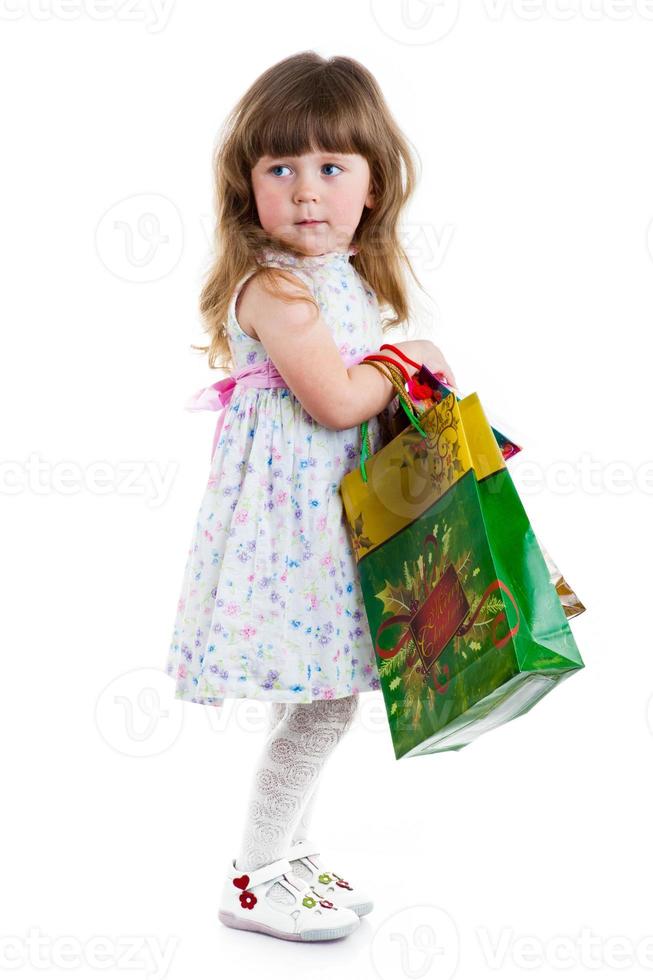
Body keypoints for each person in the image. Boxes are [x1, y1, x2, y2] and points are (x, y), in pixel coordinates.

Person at [165, 51, 457, 943]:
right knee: (325, 701)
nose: (305, 192)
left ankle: (286, 854)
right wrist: (412, 363)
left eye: (331, 168)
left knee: (324, 697)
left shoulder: (345, 278)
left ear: (372, 186)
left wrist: (396, 367)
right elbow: (334, 400)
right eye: (279, 168)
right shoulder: (275, 290)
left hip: (338, 516)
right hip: (295, 531)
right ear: (245, 183)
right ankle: (251, 876)